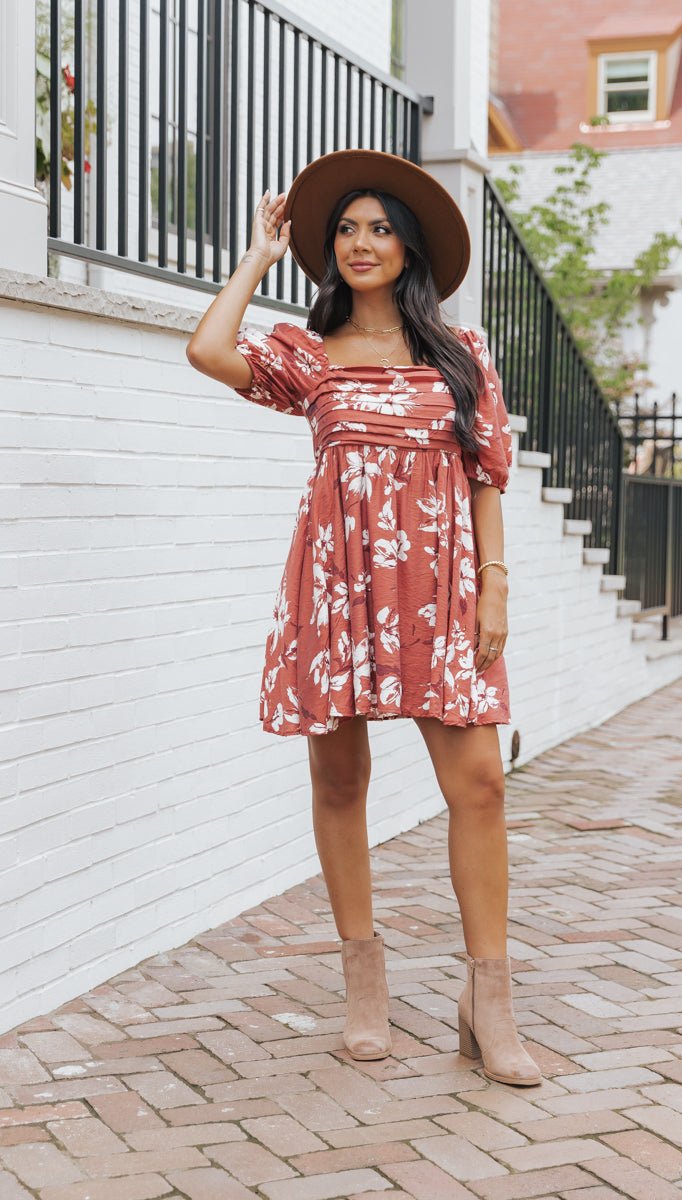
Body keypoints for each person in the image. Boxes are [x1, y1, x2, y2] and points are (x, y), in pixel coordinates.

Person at [186, 149, 541, 1087]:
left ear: (410, 246)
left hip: (445, 587)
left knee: (480, 784)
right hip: (339, 587)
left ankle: (489, 997)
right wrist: (261, 259)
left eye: (380, 228)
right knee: (341, 778)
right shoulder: (309, 358)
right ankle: (364, 982)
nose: (361, 243)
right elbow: (209, 350)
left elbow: (484, 475)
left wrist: (494, 584)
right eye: (345, 229)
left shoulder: (462, 357)